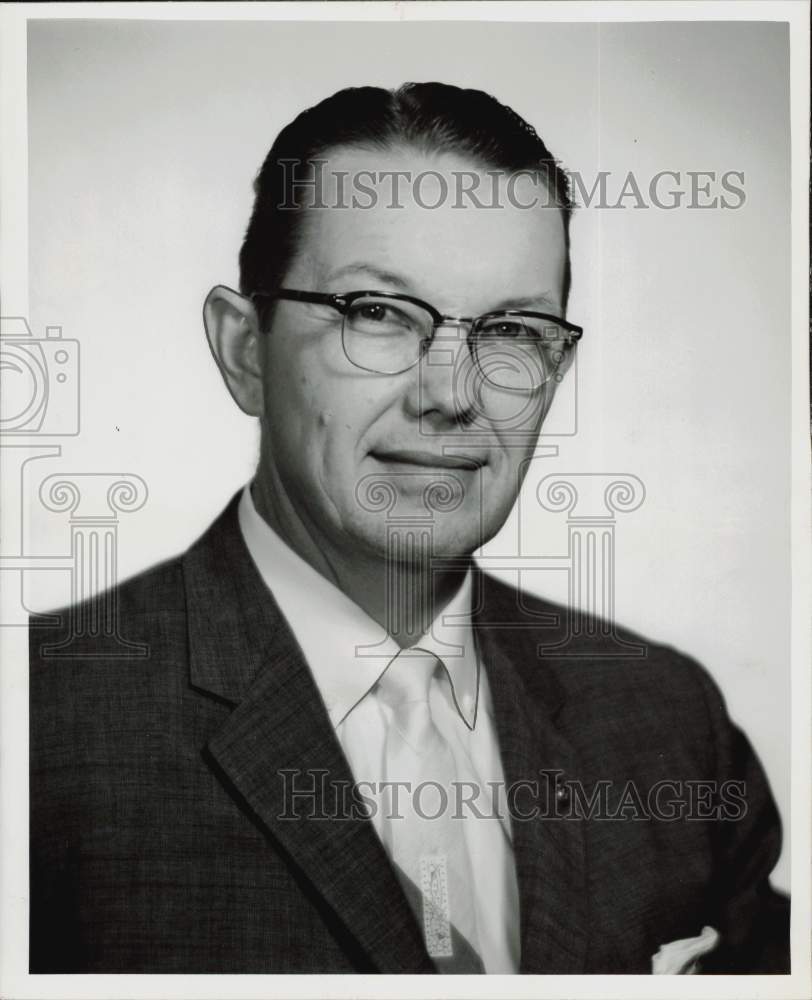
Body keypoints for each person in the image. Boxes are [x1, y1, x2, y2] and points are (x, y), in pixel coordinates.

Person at [29, 82, 789, 975]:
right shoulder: (39, 733)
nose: (452, 394)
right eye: (377, 315)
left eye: (511, 328)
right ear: (244, 352)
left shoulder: (667, 722)